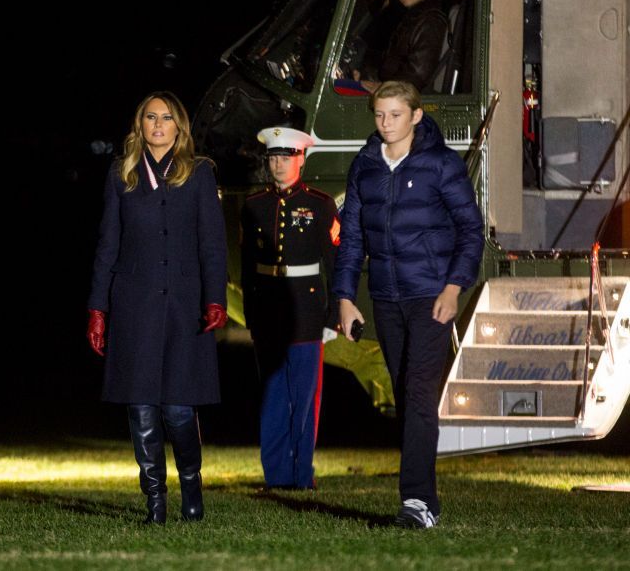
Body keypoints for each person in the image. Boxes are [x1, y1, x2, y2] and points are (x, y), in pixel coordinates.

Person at [333, 81, 483, 529]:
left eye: (395, 115)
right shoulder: (364, 166)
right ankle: (429, 498)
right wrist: (343, 296)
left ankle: (415, 501)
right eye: (379, 115)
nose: (385, 123)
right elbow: (352, 238)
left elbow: (471, 232)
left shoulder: (440, 164)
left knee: (419, 395)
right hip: (386, 297)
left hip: (431, 297)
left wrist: (454, 288)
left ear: (416, 116)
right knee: (406, 396)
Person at [86, 91, 228, 524]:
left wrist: (215, 297)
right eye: (151, 117)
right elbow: (108, 244)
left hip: (185, 308)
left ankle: (191, 486)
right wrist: (97, 306)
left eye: (167, 117)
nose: (159, 124)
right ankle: (155, 501)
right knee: (142, 407)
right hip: (135, 306)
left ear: (179, 125)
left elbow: (212, 244)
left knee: (180, 409)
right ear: (140, 125)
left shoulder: (199, 173)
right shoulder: (122, 174)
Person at [240, 127, 339, 490]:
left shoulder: (319, 204)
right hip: (268, 311)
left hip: (306, 312)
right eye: (273, 158)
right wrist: (251, 312)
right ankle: (277, 476)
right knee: (273, 399)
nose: (278, 164)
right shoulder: (254, 206)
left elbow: (334, 262)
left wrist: (333, 316)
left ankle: (301, 475)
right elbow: (248, 265)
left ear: (301, 159)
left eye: (286, 157)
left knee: (304, 398)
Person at [360, 0, 449, 93]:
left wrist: (385, 88)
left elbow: (418, 74)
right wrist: (366, 75)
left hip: (408, 99)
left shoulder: (431, 21)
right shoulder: (412, 17)